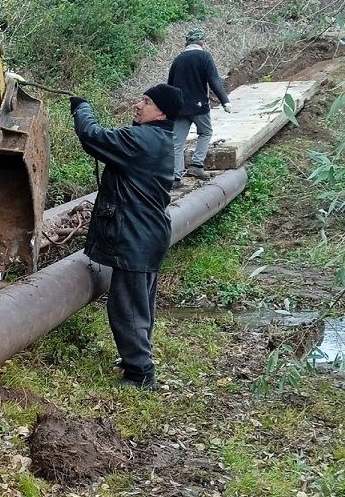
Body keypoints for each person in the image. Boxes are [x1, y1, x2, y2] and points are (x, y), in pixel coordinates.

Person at [70, 83, 184, 390]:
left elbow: (93, 137)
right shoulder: (159, 139)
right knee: (141, 302)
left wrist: (82, 109)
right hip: (149, 232)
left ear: (161, 112)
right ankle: (137, 357)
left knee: (126, 306)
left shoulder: (143, 139)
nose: (138, 105)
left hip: (136, 234)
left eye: (145, 102)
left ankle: (140, 372)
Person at [167, 26, 232, 187]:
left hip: (179, 108)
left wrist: (168, 108)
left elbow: (169, 85)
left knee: (177, 141)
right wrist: (225, 101)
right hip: (199, 106)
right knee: (205, 132)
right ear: (202, 42)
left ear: (186, 42)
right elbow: (214, 80)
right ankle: (196, 165)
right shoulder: (204, 57)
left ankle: (175, 177)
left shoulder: (178, 60)